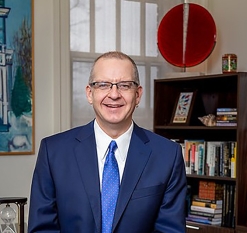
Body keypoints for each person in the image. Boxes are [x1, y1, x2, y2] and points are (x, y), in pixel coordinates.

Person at [28, 51, 187, 233]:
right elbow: (42, 229)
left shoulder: (167, 155)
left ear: (138, 95)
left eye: (124, 85)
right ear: (90, 93)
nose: (114, 94)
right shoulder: (53, 152)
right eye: (103, 85)